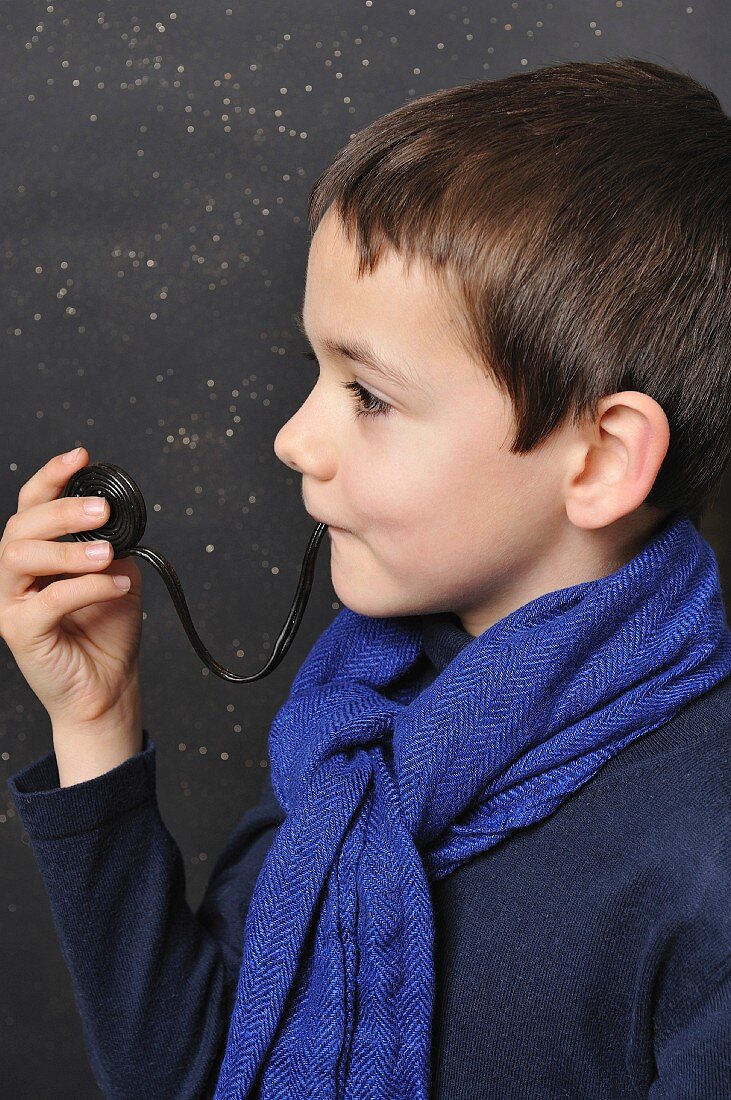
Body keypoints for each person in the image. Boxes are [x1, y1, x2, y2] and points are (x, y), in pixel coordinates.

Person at [4, 56, 731, 1099]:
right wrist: (95, 723)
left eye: (369, 395)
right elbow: (193, 1071)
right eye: (314, 373)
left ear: (601, 458)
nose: (295, 437)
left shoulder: (701, 851)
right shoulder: (362, 721)